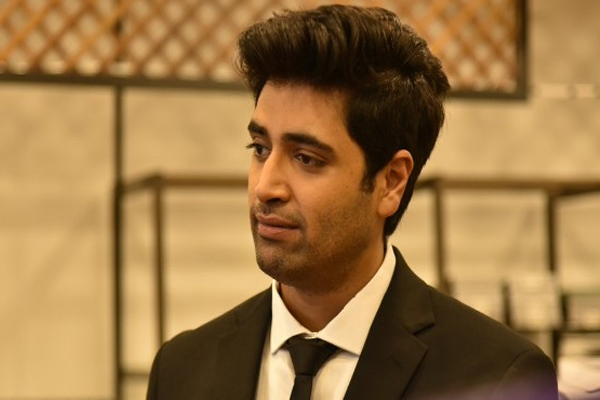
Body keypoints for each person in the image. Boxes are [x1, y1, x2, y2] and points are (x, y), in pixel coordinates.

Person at [146, 5, 558, 400]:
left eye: (306, 158)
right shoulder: (182, 370)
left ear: (391, 182)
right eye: (260, 148)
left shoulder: (496, 378)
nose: (266, 186)